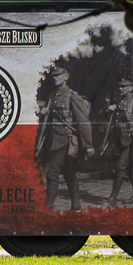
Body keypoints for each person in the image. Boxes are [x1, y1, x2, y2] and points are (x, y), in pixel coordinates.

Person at [35, 66, 94, 211]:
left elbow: (83, 121)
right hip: (53, 141)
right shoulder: (53, 96)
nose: (55, 78)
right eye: (53, 76)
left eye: (58, 75)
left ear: (66, 76)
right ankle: (76, 207)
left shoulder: (72, 96)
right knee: (69, 174)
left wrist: (88, 145)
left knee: (52, 173)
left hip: (66, 142)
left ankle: (47, 208)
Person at [105, 77, 133, 206]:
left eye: (124, 86)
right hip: (119, 139)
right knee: (132, 167)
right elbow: (113, 120)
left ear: (130, 88)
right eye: (119, 86)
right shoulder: (119, 100)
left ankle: (113, 197)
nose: (120, 88)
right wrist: (110, 110)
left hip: (130, 139)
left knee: (121, 166)